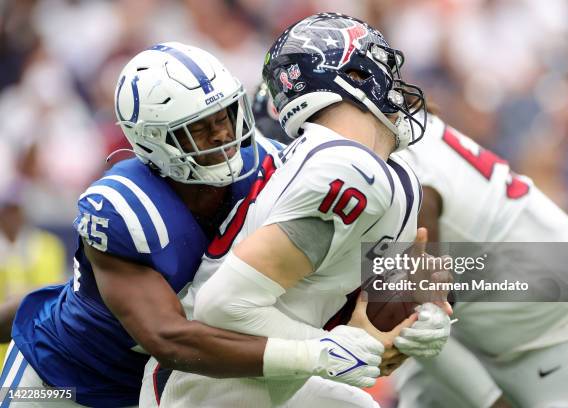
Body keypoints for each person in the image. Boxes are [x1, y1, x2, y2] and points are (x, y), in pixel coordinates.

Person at [1, 42, 387, 408]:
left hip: (172, 384)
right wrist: (309, 354)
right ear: (153, 140)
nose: (222, 133)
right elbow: (170, 339)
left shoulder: (273, 165)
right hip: (66, 381)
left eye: (224, 115)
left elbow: (371, 228)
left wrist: (416, 300)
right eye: (200, 127)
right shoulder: (122, 209)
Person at [157, 13, 453, 408]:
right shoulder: (348, 169)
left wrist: (419, 321)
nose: (396, 87)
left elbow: (366, 339)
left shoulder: (379, 172)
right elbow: (224, 304)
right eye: (381, 68)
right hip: (205, 388)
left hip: (269, 382)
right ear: (355, 76)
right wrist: (329, 349)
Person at [391, 114, 568, 407]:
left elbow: (411, 318)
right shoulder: (406, 132)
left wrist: (490, 400)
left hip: (565, 328)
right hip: (485, 327)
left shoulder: (399, 176)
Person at [0, 180, 65, 368]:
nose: (12, 217)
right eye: (7, 210)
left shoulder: (49, 245)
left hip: (37, 347)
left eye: (16, 210)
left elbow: (53, 291)